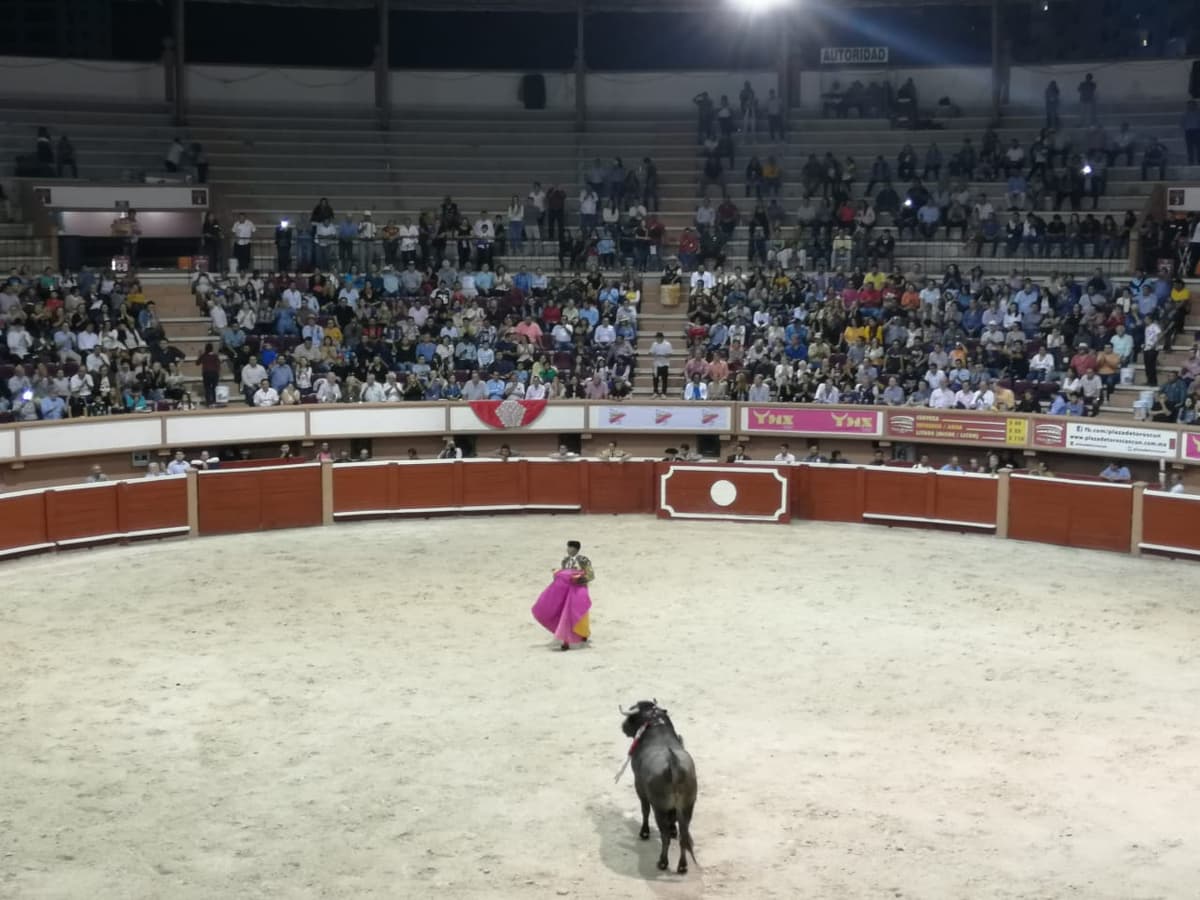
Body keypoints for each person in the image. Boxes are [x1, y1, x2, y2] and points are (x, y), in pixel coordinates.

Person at [531, 540, 594, 651]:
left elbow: (591, 575)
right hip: (564, 590)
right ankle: (566, 640)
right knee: (565, 613)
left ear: (575, 549)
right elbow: (563, 575)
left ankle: (583, 632)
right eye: (568, 547)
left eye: (570, 548)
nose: (568, 550)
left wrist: (579, 579)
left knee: (579, 612)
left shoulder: (583, 560)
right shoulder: (565, 561)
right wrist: (557, 574)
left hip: (578, 589)